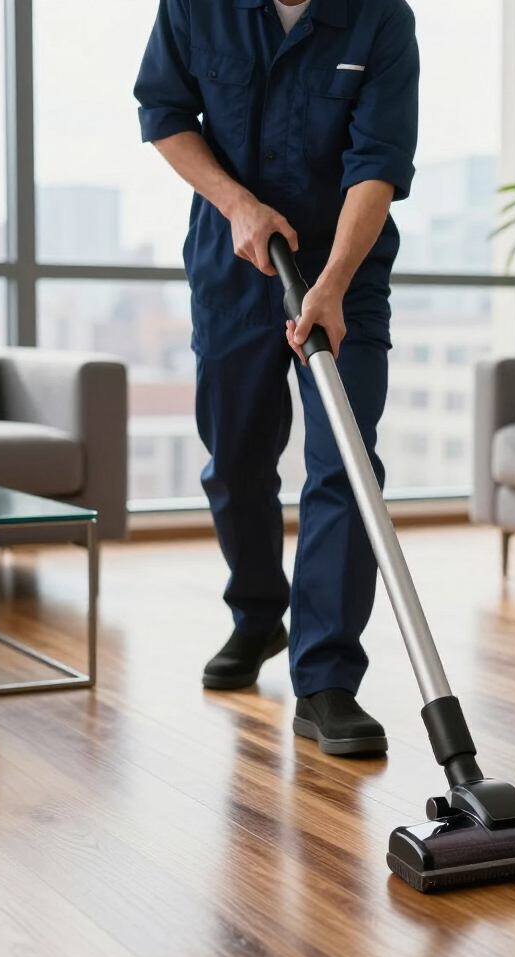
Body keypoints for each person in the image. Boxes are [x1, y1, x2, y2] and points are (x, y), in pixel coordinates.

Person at [135, 0, 419, 756]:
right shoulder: (196, 6)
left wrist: (329, 283)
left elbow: (380, 162)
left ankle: (326, 682)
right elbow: (164, 111)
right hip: (234, 267)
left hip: (344, 275)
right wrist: (238, 203)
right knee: (235, 462)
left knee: (346, 467)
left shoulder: (380, 17)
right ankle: (259, 614)